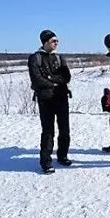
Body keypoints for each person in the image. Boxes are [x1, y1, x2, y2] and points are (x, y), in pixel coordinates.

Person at [28, 29, 72, 174]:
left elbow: (66, 77)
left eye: (57, 41)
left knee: (64, 129)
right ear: (45, 42)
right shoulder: (35, 58)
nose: (56, 43)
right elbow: (36, 79)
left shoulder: (60, 58)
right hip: (45, 99)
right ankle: (46, 162)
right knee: (48, 131)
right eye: (53, 41)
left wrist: (49, 79)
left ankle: (62, 156)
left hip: (61, 98)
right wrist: (53, 83)